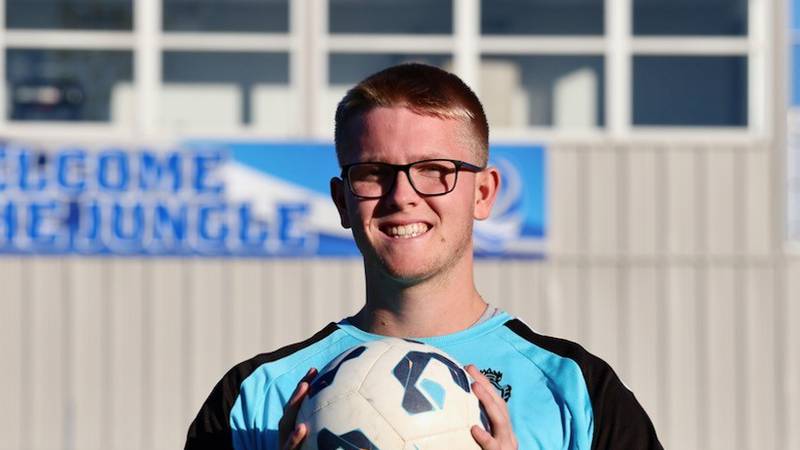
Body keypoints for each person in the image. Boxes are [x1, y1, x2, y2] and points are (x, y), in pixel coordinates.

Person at [185, 63, 663, 450]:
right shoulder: (255, 398)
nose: (402, 196)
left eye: (435, 170)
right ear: (341, 201)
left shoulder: (576, 390)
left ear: (483, 193)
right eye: (373, 172)